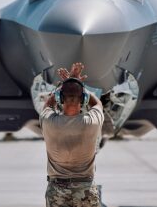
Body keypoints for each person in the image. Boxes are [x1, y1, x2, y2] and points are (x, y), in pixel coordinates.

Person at [40, 62, 104, 207]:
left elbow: (48, 105)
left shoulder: (49, 122)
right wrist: (79, 84)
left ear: (59, 98)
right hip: (85, 190)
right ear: (83, 99)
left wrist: (64, 85)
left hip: (57, 191)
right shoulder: (91, 122)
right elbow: (97, 105)